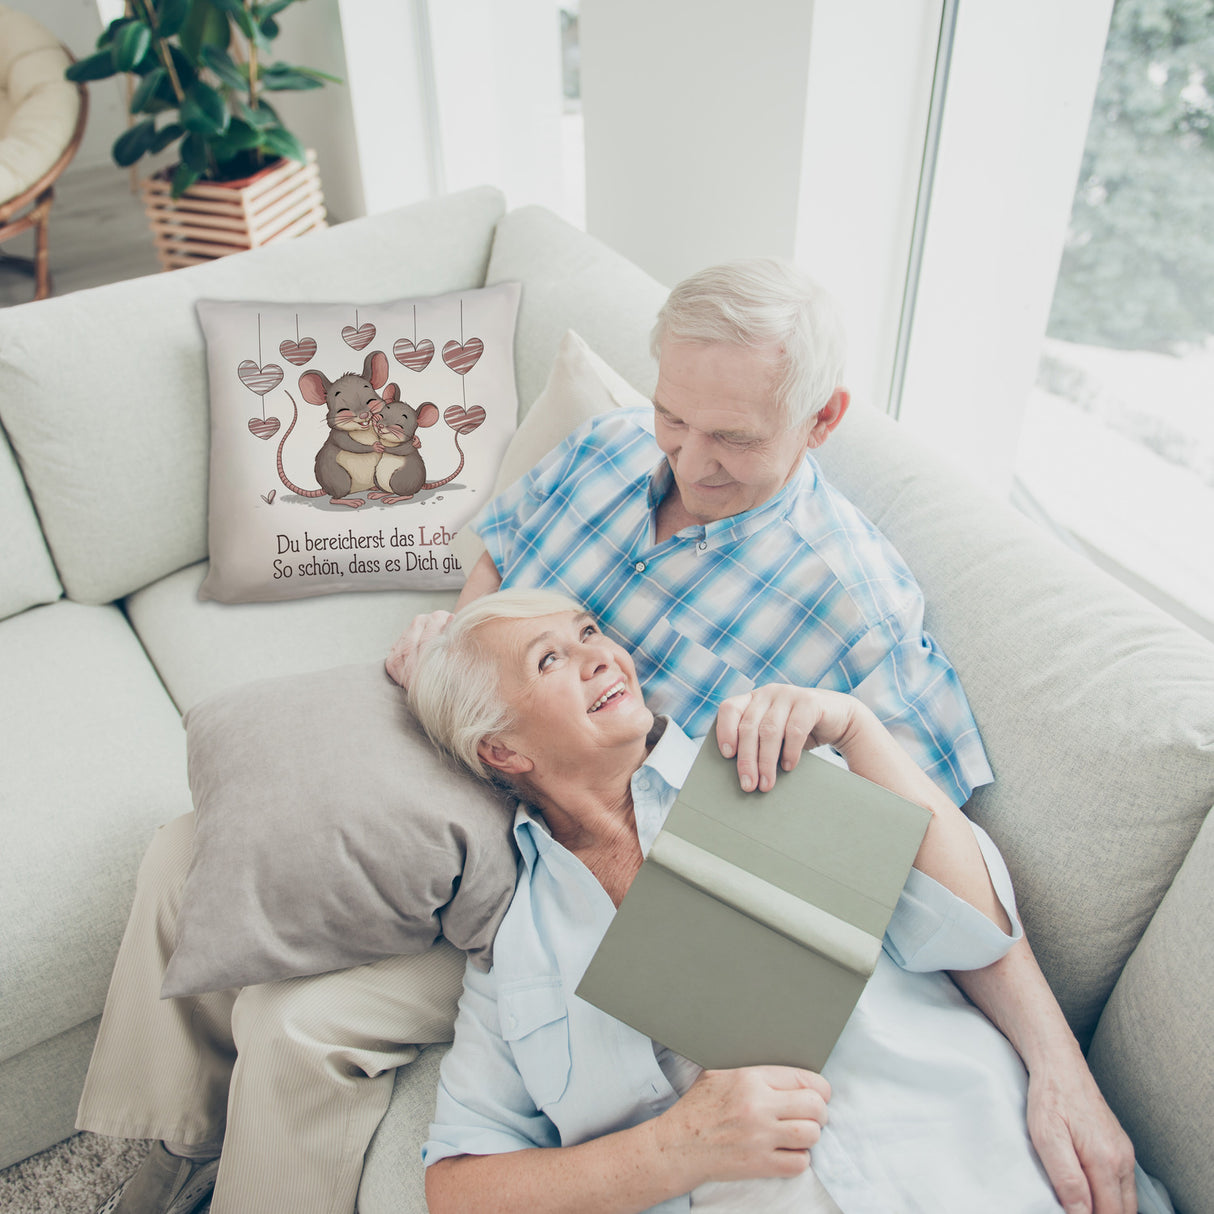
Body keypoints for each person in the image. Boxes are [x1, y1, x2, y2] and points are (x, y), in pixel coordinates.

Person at [79, 260, 1131, 1214]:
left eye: (732, 438)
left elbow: (927, 855)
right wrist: (458, 642)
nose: (687, 457)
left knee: (300, 1024)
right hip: (488, 747)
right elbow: (500, 556)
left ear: (820, 420)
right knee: (192, 847)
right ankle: (159, 1150)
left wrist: (1057, 1063)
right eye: (674, 415)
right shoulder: (609, 447)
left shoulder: (853, 607)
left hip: (577, 853)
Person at [407, 588, 1160, 1214]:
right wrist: (674, 1149)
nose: (601, 655)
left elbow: (972, 929)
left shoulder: (762, 761)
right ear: (502, 750)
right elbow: (458, 1187)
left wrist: (859, 731)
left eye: (589, 632)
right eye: (550, 659)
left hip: (985, 1167)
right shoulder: (516, 952)